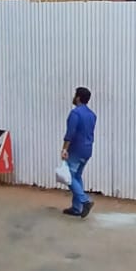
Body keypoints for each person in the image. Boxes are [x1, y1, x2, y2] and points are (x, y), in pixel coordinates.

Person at [61, 87, 97, 220]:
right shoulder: (92, 115)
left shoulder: (75, 113)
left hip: (76, 149)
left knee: (69, 177)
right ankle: (77, 208)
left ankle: (85, 201)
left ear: (78, 98)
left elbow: (70, 133)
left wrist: (64, 149)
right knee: (77, 176)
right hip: (87, 149)